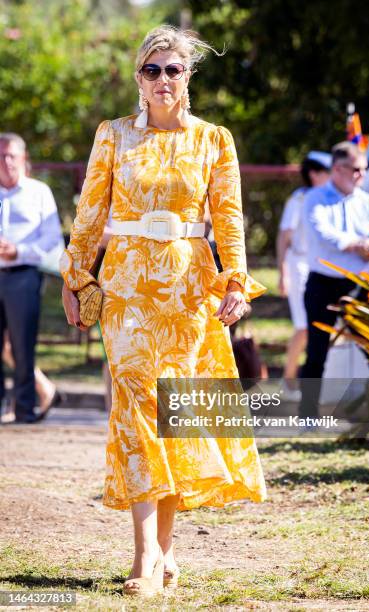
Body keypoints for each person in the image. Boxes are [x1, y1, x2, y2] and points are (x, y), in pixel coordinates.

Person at [60, 25, 267, 598]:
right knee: (133, 404)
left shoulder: (214, 141)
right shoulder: (113, 135)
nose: (162, 80)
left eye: (173, 69)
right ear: (138, 78)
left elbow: (228, 220)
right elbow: (89, 213)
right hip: (125, 286)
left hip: (189, 289)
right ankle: (145, 554)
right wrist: (75, 275)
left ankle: (166, 552)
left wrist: (236, 283)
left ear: (189, 77)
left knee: (176, 415)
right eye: (152, 70)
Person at [298, 141, 369, 421]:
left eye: (364, 170)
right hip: (324, 284)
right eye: (356, 170)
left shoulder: (368, 202)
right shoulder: (315, 198)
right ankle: (308, 415)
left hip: (360, 286)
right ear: (338, 168)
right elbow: (324, 235)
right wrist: (359, 245)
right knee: (317, 351)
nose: (361, 176)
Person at [0, 132, 63, 424]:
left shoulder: (38, 192)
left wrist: (19, 251)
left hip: (23, 275)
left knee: (22, 345)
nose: (6, 162)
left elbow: (52, 241)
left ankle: (24, 409)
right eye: (1, 156)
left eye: (11, 155)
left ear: (24, 159)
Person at [277, 151, 331, 401]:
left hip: (321, 266)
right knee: (304, 326)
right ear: (314, 174)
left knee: (316, 326)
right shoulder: (299, 199)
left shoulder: (329, 198)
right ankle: (289, 377)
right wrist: (283, 272)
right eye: (327, 172)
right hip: (299, 265)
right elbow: (284, 236)